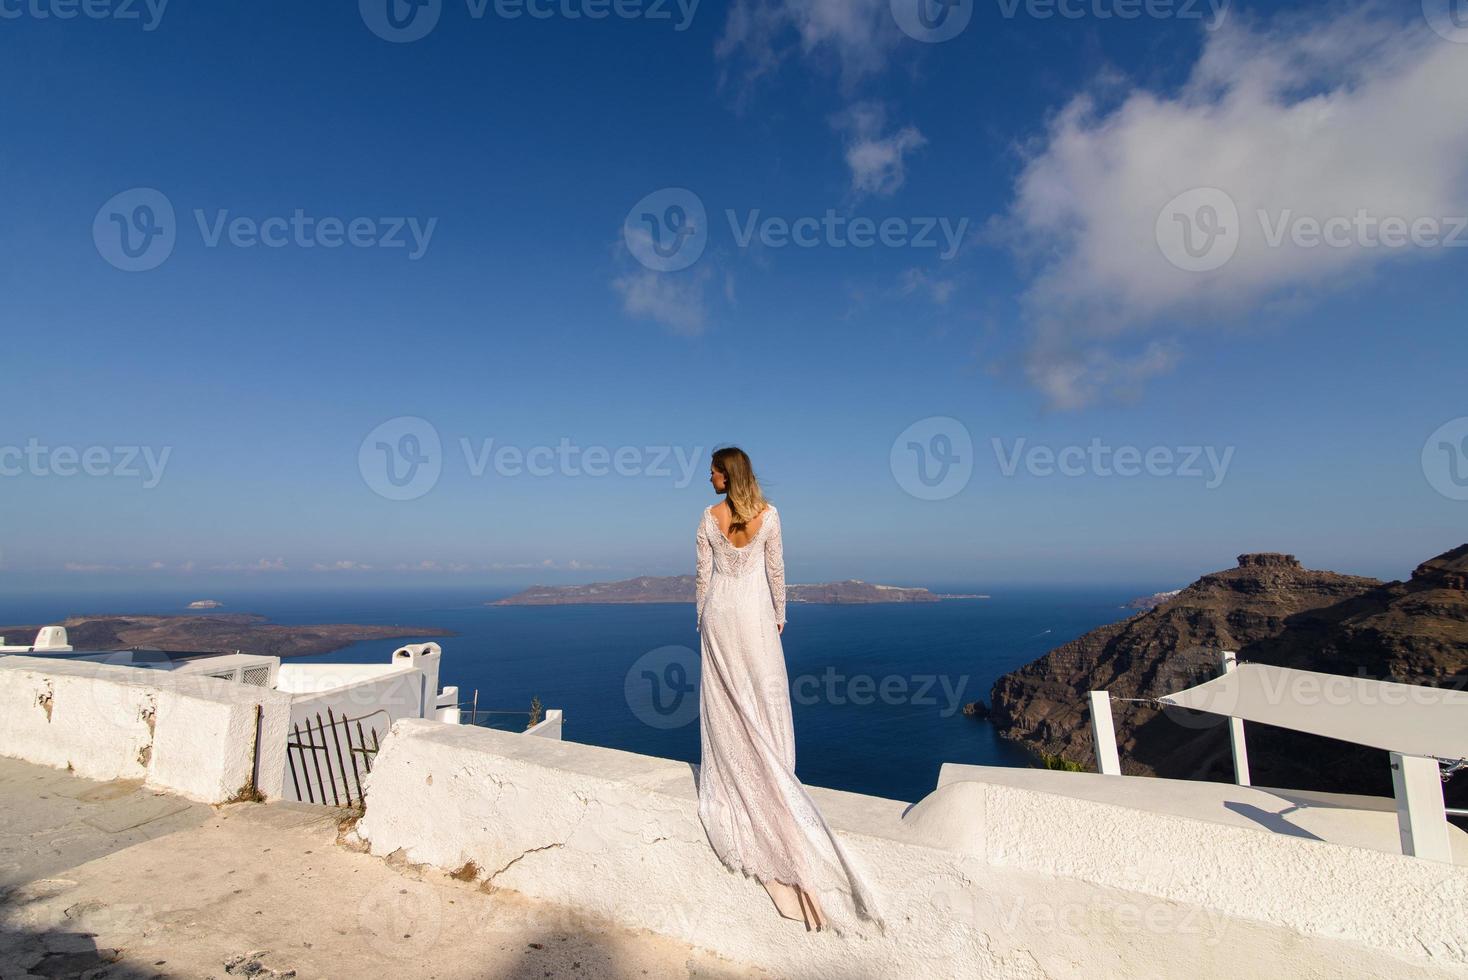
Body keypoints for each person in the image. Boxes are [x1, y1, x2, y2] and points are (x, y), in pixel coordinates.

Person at [693, 446, 887, 935]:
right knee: (764, 697)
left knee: (726, 704)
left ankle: (746, 775)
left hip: (719, 615)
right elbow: (777, 570)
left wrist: (701, 622)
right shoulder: (770, 516)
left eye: (713, 471)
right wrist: (781, 614)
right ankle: (776, 769)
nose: (708, 478)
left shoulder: (707, 518)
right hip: (756, 617)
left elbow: (703, 578)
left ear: (727, 473)